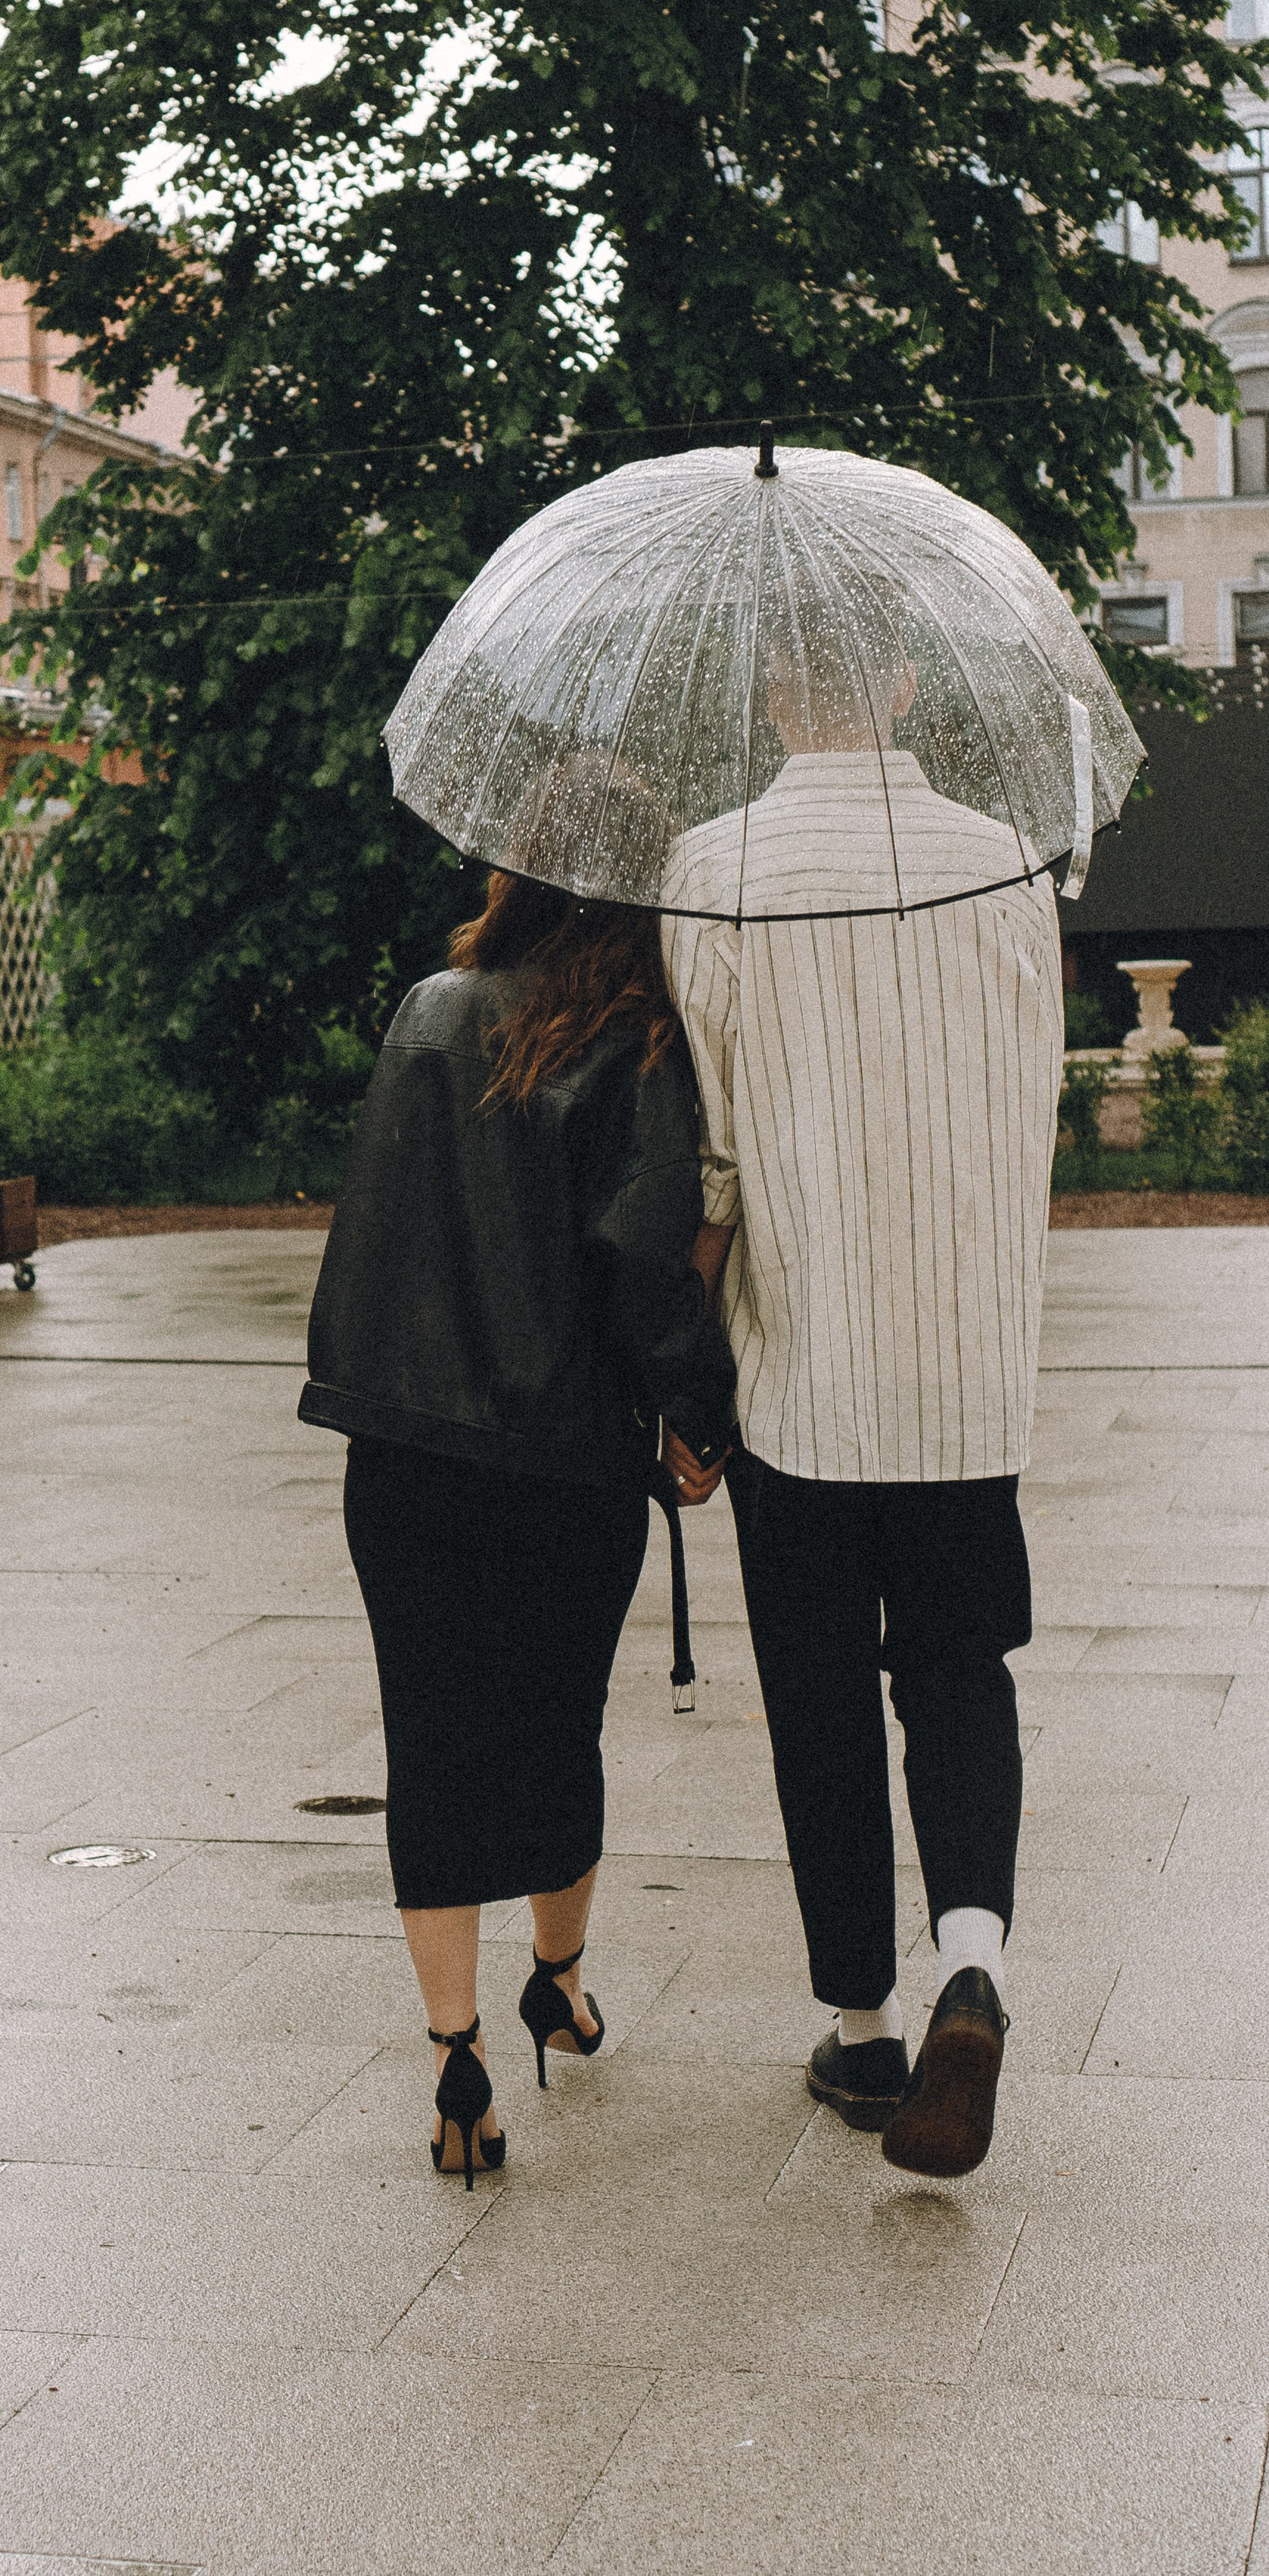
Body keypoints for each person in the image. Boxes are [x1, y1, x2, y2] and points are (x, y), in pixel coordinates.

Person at [660, 624, 1064, 2179]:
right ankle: (976, 1956)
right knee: (960, 1675)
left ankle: (863, 2027)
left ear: (771, 693)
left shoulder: (713, 867)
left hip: (799, 1372)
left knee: (819, 1701)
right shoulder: (1002, 861)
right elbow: (1029, 1095)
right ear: (899, 688)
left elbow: (709, 1141)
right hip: (963, 1370)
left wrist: (681, 1341)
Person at [300, 873, 737, 2185]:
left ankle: (456, 2060)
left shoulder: (425, 1016)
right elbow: (648, 1264)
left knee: (429, 1734)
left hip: (405, 1446)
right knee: (556, 1723)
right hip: (563, 1459)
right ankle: (562, 1979)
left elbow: (382, 1216)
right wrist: (698, 1416)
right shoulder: (639, 1044)